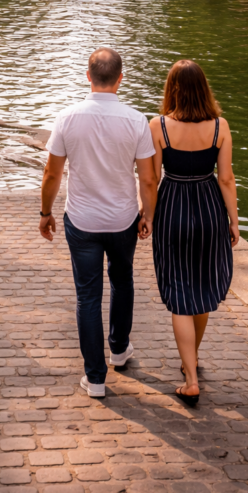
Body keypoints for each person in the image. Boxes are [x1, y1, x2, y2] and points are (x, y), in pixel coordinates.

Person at [40, 47, 158, 399]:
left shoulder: (67, 118)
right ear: (121, 79)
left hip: (83, 220)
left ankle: (95, 379)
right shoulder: (136, 120)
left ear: (87, 77)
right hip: (123, 219)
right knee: (122, 281)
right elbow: (149, 179)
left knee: (87, 296)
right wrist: (147, 214)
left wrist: (45, 213)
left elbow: (52, 173)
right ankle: (119, 350)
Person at [149, 60, 239, 407]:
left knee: (178, 291)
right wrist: (233, 220)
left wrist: (148, 216)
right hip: (207, 208)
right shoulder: (220, 126)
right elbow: (226, 179)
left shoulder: (158, 126)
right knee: (201, 286)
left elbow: (152, 179)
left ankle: (190, 378)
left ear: (171, 89)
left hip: (173, 207)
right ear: (205, 88)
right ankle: (193, 360)